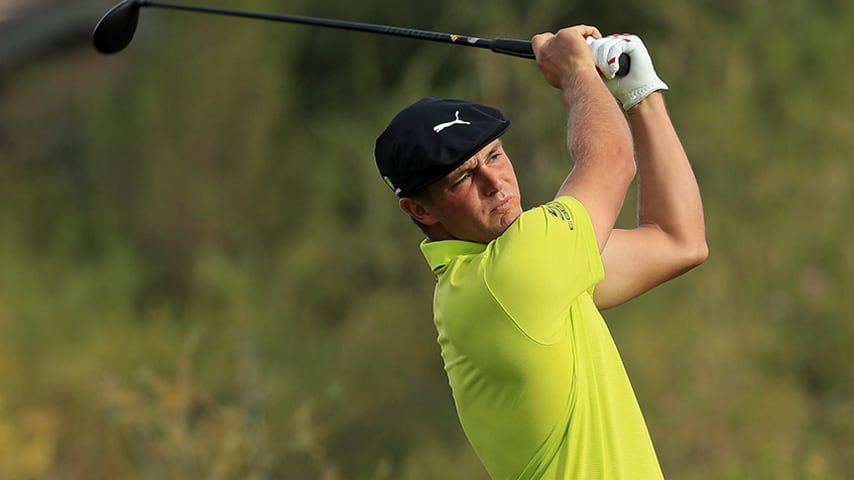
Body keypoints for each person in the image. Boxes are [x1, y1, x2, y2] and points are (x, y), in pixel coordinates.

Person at [374, 25, 707, 479]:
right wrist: (575, 72)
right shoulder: (506, 281)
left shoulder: (519, 278)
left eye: (493, 156)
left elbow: (677, 240)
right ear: (418, 209)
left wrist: (640, 93)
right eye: (461, 178)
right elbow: (610, 159)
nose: (495, 183)